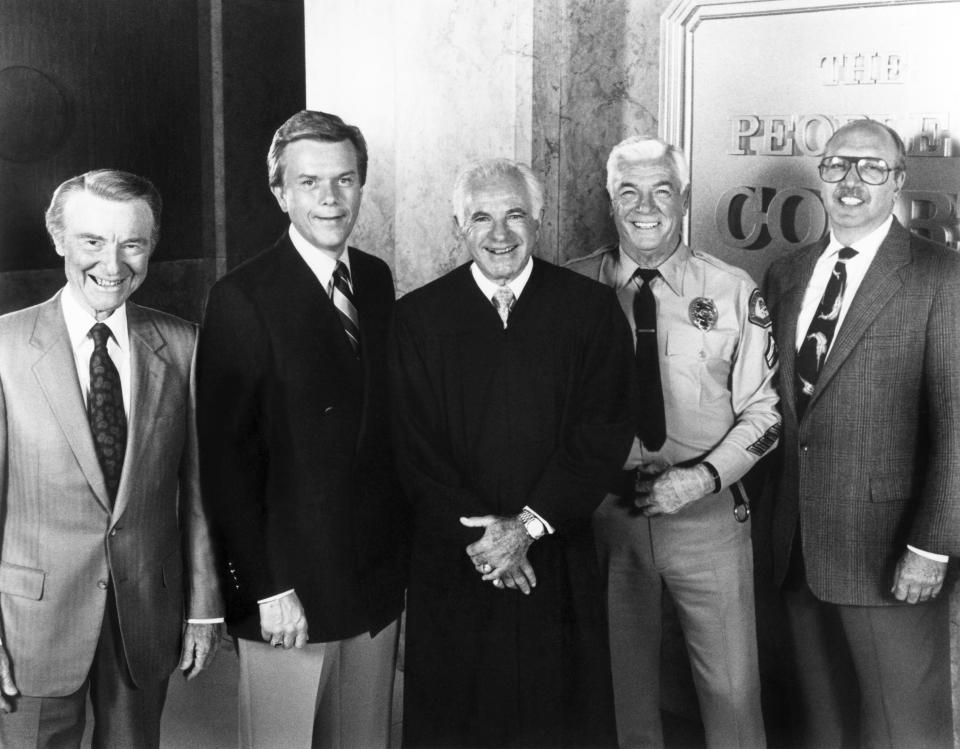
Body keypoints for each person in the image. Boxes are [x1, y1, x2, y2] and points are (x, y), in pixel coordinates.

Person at [390, 157, 635, 748]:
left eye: (515, 215)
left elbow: (603, 430)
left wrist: (526, 526)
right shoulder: (418, 318)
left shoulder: (589, 309)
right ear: (459, 227)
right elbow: (410, 444)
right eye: (481, 218)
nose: (500, 234)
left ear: (539, 220)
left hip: (554, 552)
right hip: (458, 559)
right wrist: (484, 539)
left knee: (560, 718)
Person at [196, 110, 406, 749]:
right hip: (289, 591)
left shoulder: (374, 279)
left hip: (371, 584)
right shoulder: (240, 297)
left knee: (364, 740)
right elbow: (226, 464)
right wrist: (266, 587)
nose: (330, 199)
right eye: (310, 182)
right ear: (280, 192)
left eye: (344, 180)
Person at [567, 135, 779, 748]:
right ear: (610, 201)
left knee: (732, 696)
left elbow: (765, 416)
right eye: (628, 190)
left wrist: (702, 479)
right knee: (623, 697)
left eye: (662, 189)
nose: (645, 205)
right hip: (608, 518)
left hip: (707, 516)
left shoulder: (733, 290)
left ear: (684, 198)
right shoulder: (570, 289)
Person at [0, 169, 223, 748]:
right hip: (29, 624)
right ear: (59, 240)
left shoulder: (183, 344)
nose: (113, 263)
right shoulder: (2, 348)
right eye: (92, 241)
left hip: (144, 613)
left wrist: (203, 607)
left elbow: (199, 493)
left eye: (133, 243)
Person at [763, 118, 960, 748]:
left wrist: (932, 547)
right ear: (819, 175)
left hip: (891, 550)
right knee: (823, 726)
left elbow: (959, 423)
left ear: (898, 180)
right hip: (795, 546)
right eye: (838, 164)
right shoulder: (786, 273)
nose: (852, 181)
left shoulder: (942, 276)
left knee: (905, 728)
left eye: (872, 167)